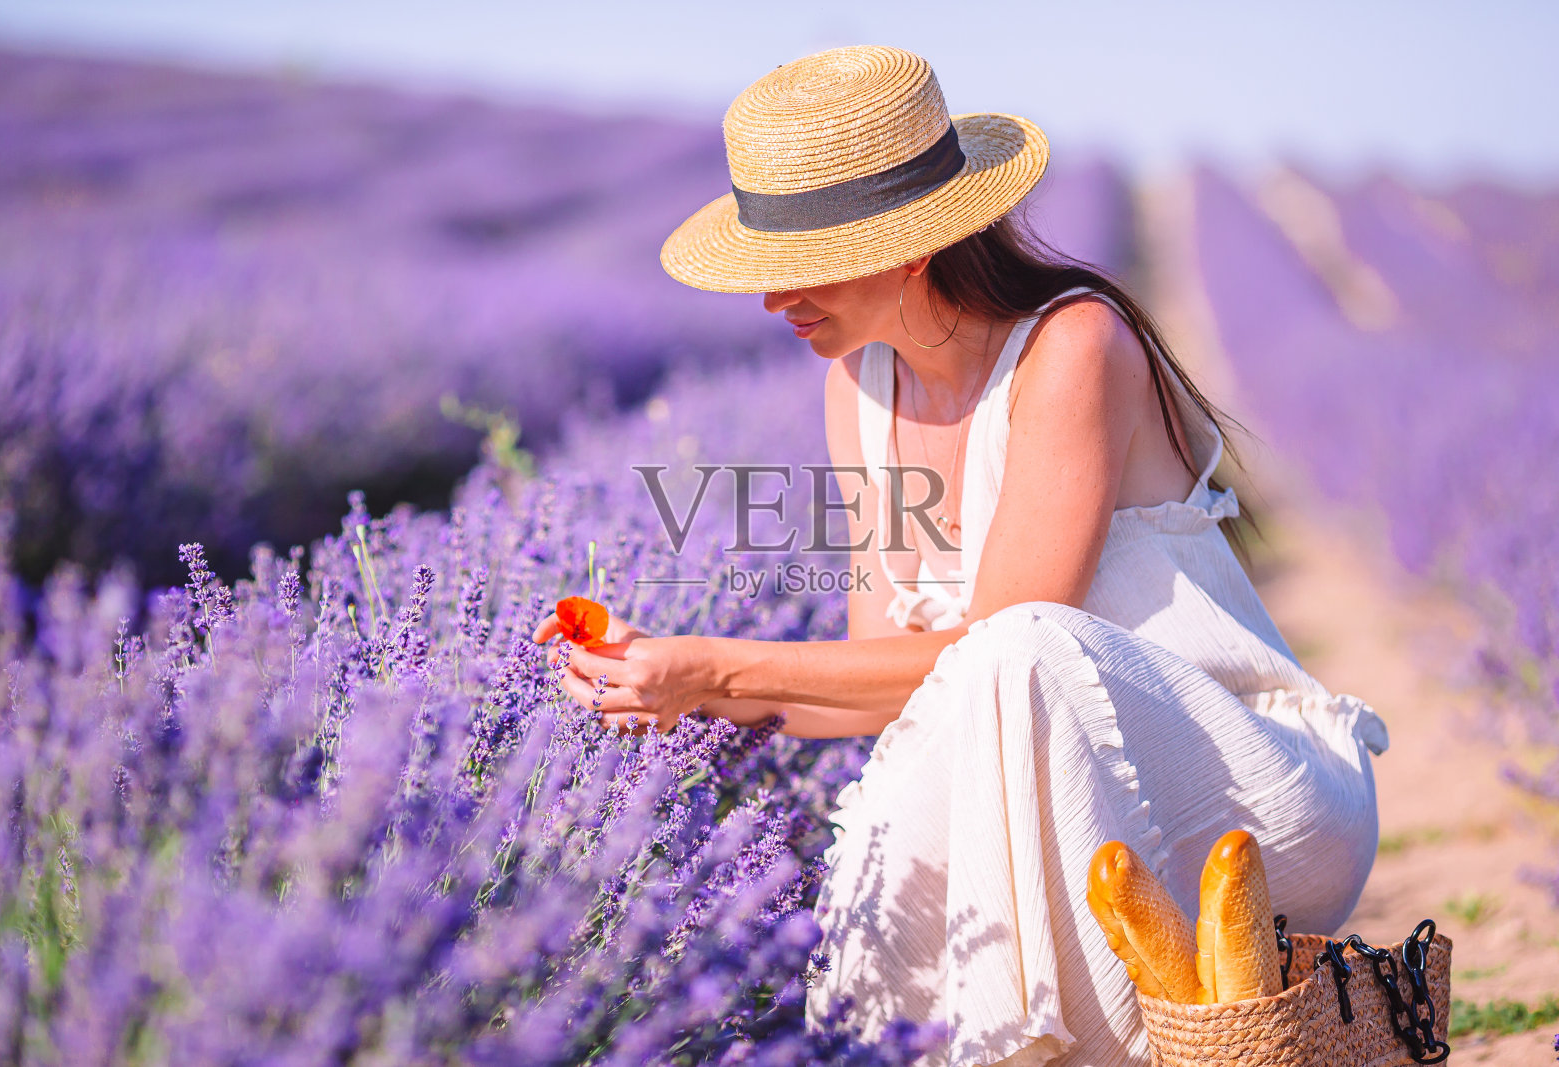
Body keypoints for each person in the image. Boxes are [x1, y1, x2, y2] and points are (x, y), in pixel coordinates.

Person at [533, 44, 1388, 1067]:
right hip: (1075, 826)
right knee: (931, 777)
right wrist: (670, 682)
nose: (772, 301)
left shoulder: (1074, 346)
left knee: (1014, 649)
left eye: (798, 266)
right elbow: (886, 690)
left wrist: (719, 663)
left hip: (1250, 809)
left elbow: (1001, 645)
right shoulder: (858, 388)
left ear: (905, 248)